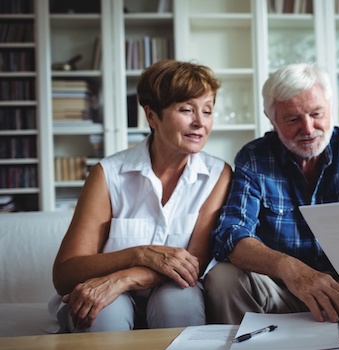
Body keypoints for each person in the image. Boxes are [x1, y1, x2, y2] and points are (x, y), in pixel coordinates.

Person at [51, 59, 232, 332]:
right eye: (186, 109)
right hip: (107, 298)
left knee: (178, 299)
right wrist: (140, 254)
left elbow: (194, 264)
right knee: (105, 313)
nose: (200, 123)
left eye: (207, 111)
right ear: (151, 116)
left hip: (172, 290)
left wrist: (124, 278)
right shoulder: (108, 174)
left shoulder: (219, 174)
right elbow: (65, 274)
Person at [204, 63, 339, 325]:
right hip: (281, 291)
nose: (307, 128)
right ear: (272, 120)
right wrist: (291, 269)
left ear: (331, 108)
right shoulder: (255, 157)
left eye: (317, 113)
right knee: (223, 278)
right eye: (292, 119)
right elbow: (232, 235)